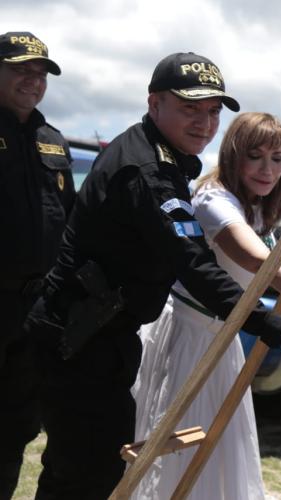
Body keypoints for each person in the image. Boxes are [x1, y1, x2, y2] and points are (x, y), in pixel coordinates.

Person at [24, 53, 281, 500]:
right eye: (190, 108)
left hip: (97, 334)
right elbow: (195, 266)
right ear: (155, 104)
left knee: (81, 469)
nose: (204, 122)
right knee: (87, 474)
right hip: (79, 340)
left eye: (213, 111)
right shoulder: (150, 170)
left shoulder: (161, 158)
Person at [131, 112, 281, 499]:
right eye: (256, 156)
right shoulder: (214, 199)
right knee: (181, 452)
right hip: (190, 338)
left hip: (222, 339)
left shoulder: (257, 205)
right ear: (233, 156)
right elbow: (253, 260)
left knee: (221, 448)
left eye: (277, 158)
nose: (268, 169)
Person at [0, 31, 74, 500]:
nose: (32, 80)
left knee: (16, 426)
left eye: (40, 72)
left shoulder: (53, 141)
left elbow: (72, 222)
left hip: (35, 312)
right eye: (20, 69)